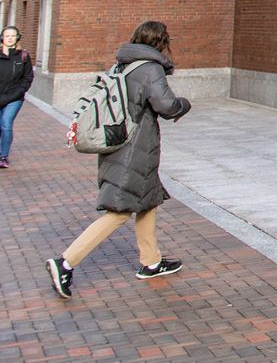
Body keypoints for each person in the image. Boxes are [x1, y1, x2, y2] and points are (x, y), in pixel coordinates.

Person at [45, 20, 191, 298]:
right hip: (136, 147)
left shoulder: (122, 64)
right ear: (162, 42)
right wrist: (184, 104)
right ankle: (65, 262)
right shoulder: (151, 68)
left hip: (117, 142)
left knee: (148, 198)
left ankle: (152, 261)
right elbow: (166, 105)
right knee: (120, 209)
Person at [0, 25, 29, 168]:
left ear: (17, 37)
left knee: (6, 124)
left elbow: (27, 77)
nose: (10, 38)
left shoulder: (23, 55)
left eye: (13, 35)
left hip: (14, 98)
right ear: (2, 38)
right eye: (7, 36)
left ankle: (3, 156)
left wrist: (18, 93)